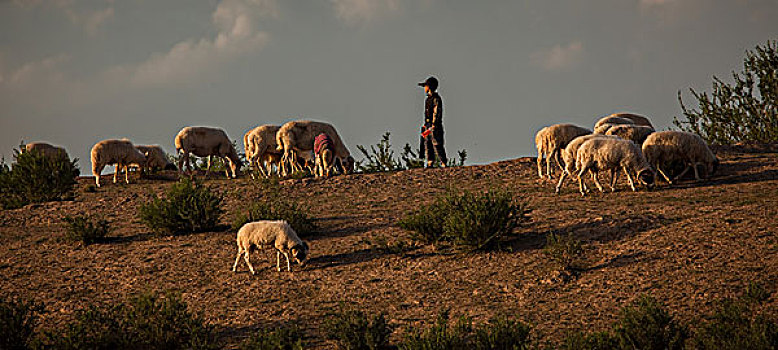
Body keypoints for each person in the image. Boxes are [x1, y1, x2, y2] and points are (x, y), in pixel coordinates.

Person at [418, 76, 447, 168]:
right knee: (427, 143)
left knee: (437, 143)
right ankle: (430, 162)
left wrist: (434, 124)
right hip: (428, 124)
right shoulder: (428, 99)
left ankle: (443, 161)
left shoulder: (436, 99)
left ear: (429, 87)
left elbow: (437, 111)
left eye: (426, 86)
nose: (425, 88)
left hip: (435, 125)